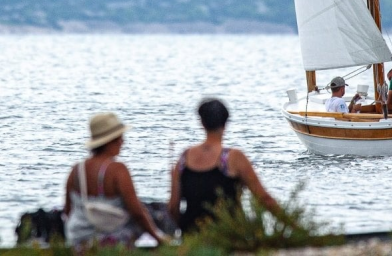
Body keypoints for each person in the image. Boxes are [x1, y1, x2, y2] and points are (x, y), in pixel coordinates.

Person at [169, 99, 280, 235]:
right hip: (228, 237)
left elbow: (173, 207)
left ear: (202, 123)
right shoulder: (234, 158)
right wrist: (295, 228)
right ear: (225, 123)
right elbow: (265, 199)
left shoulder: (184, 158)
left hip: (192, 236)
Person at [64, 112, 170, 249]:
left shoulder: (76, 170)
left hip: (77, 241)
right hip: (112, 241)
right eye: (119, 138)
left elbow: (68, 210)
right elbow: (137, 213)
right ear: (109, 141)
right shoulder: (117, 170)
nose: (122, 142)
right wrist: (158, 237)